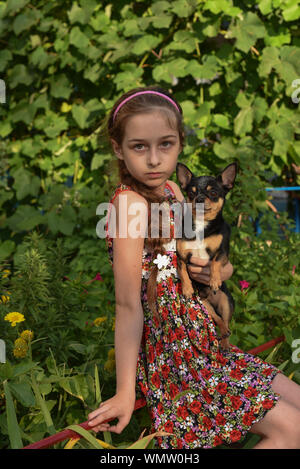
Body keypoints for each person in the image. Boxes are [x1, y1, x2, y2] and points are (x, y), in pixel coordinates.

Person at [88, 85, 300, 449]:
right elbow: (127, 304)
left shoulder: (173, 190)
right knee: (292, 429)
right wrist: (125, 393)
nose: (154, 159)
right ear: (117, 148)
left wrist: (216, 271)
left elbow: (212, 262)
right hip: (176, 359)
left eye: (165, 144)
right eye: (139, 146)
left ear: (180, 144)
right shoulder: (129, 207)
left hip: (203, 343)